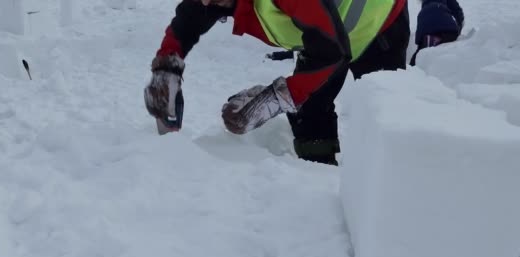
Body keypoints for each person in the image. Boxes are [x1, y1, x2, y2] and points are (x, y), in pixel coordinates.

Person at [144, 0, 410, 165]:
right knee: (310, 109)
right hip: (324, 29)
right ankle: (316, 180)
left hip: (377, 21)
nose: (205, 2)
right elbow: (188, 20)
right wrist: (166, 68)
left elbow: (330, 51)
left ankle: (397, 194)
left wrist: (272, 100)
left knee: (386, 120)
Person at [410, 0, 464, 66]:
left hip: (426, 29)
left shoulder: (425, 4)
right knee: (450, 47)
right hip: (446, 27)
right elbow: (457, 11)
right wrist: (459, 27)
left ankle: (411, 70)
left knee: (418, 58)